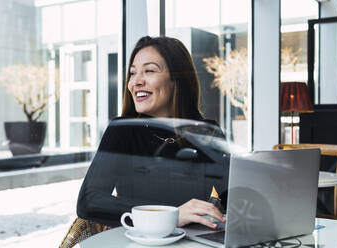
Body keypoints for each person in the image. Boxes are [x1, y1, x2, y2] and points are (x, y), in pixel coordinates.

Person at [60, 36, 227, 248]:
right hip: (137, 244)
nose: (136, 81)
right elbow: (89, 202)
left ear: (177, 79)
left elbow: (234, 199)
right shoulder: (123, 130)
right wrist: (171, 215)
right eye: (132, 73)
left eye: (149, 71)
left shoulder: (207, 133)